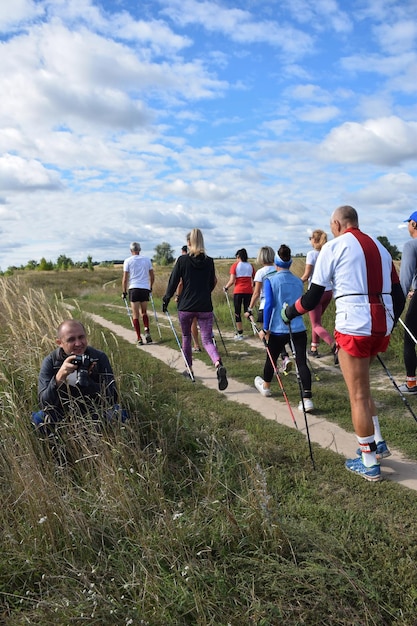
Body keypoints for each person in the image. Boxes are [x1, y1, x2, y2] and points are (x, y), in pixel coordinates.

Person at [282, 205, 405, 482]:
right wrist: (388, 325)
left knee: (358, 394)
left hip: (354, 326)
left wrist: (290, 312)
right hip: (379, 327)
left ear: (337, 224)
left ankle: (369, 461)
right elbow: (399, 298)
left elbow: (313, 297)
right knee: (364, 388)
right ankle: (378, 442)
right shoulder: (383, 249)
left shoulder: (333, 248)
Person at [162, 228, 228, 391]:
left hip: (186, 306)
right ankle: (218, 363)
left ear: (189, 242)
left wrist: (166, 298)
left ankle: (189, 369)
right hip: (205, 306)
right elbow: (212, 281)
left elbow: (173, 281)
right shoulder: (209, 261)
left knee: (186, 336)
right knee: (207, 339)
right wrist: (205, 293)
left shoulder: (182, 261)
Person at [254, 244, 313, 412]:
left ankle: (266, 386)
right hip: (298, 328)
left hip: (278, 329)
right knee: (301, 361)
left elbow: (269, 306)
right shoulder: (297, 281)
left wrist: (265, 329)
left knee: (271, 359)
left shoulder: (270, 280)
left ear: (277, 263)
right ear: (290, 262)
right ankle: (307, 398)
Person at [35, 319, 121, 429]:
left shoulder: (98, 357)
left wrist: (87, 379)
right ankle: (56, 445)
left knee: (119, 413)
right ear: (60, 343)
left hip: (94, 411)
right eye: (71, 339)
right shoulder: (51, 361)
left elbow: (113, 397)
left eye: (81, 337)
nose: (78, 343)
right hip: (62, 414)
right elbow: (44, 404)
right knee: (39, 419)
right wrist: (59, 378)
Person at [246, 245, 292, 373]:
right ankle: (285, 357)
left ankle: (274, 365)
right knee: (277, 336)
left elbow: (256, 293)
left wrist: (249, 308)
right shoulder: (278, 269)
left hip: (265, 307)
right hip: (279, 307)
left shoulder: (261, 272)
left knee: (269, 339)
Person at [300, 229, 337, 362]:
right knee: (317, 322)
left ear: (314, 240)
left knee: (315, 324)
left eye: (310, 238)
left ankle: (334, 346)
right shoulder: (328, 253)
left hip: (316, 292)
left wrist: (297, 283)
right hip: (328, 291)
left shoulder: (312, 254)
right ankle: (314, 347)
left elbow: (306, 275)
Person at [122, 242, 154, 346]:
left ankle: (139, 337)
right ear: (139, 250)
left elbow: (125, 278)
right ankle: (147, 331)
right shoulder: (147, 260)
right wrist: (150, 287)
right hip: (144, 288)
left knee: (135, 315)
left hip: (134, 289)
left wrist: (124, 291)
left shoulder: (128, 261)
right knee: (144, 312)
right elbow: (152, 275)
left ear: (131, 250)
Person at [399, 211, 417, 393]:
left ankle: (411, 383)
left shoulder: (411, 245)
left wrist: (398, 305)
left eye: (409, 223)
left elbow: (405, 278)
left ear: (414, 224)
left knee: (410, 338)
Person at [176, 239, 202, 352]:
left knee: (191, 323)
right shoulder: (200, 260)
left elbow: (181, 282)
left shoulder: (183, 262)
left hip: (187, 297)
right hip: (200, 295)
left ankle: (195, 344)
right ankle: (200, 343)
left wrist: (177, 295)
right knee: (199, 321)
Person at [224, 248, 255, 340]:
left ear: (238, 256)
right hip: (249, 291)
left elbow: (232, 280)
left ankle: (240, 334)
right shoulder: (250, 266)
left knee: (237, 312)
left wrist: (226, 287)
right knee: (248, 311)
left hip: (238, 291)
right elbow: (255, 279)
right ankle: (255, 327)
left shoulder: (235, 266)